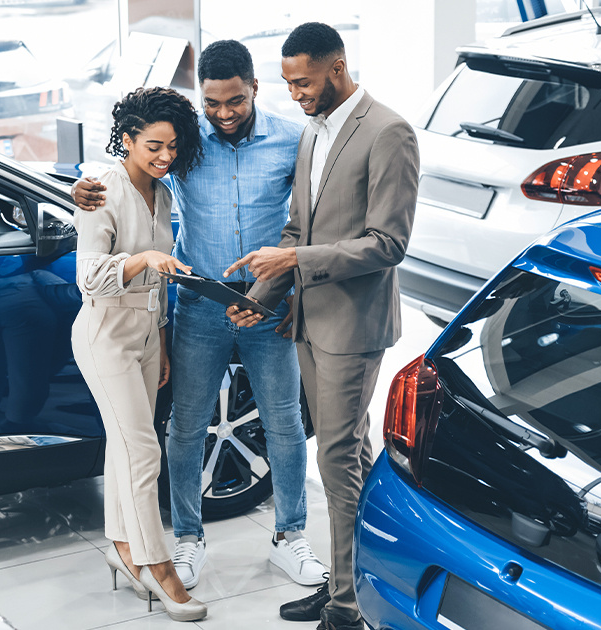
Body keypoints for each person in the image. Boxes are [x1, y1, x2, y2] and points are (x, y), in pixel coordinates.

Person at [72, 40, 326, 592]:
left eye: (234, 100)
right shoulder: (185, 145)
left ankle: (290, 536)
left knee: (284, 423)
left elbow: (305, 223)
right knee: (185, 426)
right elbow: (131, 166)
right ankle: (187, 539)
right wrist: (81, 184)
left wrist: (272, 287)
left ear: (254, 87)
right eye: (212, 102)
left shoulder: (292, 140)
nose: (224, 113)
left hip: (267, 302)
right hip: (198, 302)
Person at [224, 22, 420, 630]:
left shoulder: (388, 132)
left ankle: (346, 608)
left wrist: (297, 261)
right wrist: (260, 296)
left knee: (336, 459)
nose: (294, 94)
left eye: (303, 82)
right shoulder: (314, 132)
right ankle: (350, 581)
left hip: (352, 327)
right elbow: (298, 231)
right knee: (350, 454)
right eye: (287, 84)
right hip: (306, 320)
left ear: (336, 68)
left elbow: (388, 243)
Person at [71, 86, 206, 622]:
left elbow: (162, 282)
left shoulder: (163, 193)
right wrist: (142, 257)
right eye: (153, 145)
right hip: (106, 334)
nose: (165, 156)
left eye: (173, 146)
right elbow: (90, 277)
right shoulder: (102, 189)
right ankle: (156, 562)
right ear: (126, 137)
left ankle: (122, 547)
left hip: (149, 336)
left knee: (124, 447)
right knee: (144, 452)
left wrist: (164, 342)